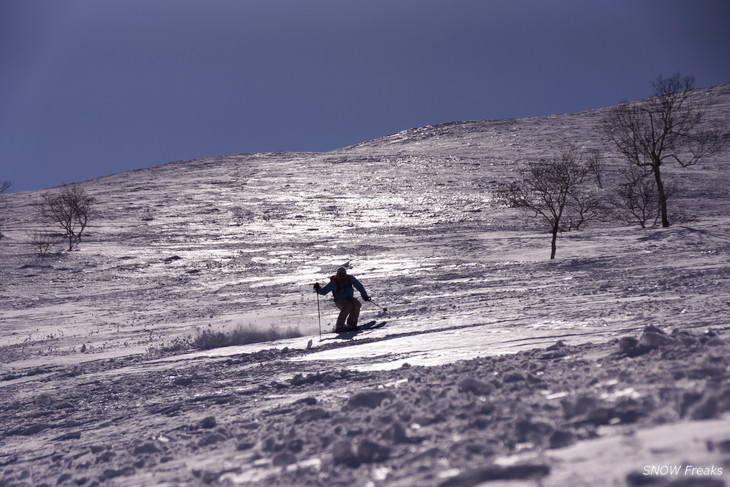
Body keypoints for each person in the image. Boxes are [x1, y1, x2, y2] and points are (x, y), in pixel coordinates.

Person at [314, 267, 371, 332]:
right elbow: (324, 291)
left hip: (349, 298)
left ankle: (351, 323)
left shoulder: (350, 278)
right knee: (348, 305)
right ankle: (339, 325)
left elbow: (359, 286)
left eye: (344, 276)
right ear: (337, 275)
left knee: (356, 304)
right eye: (340, 276)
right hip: (339, 300)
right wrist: (318, 289)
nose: (342, 278)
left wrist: (364, 295)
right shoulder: (334, 282)